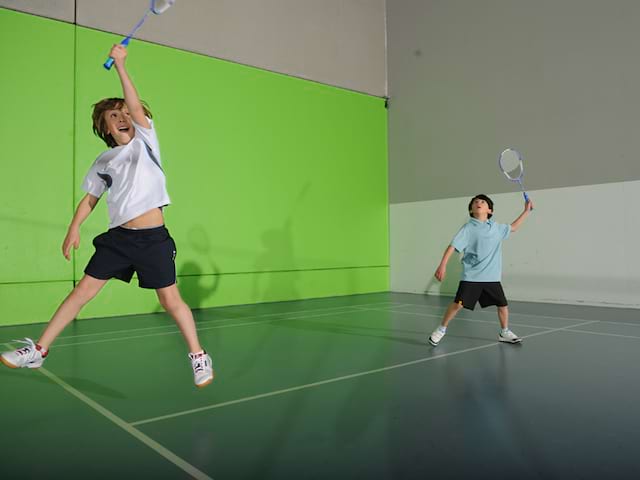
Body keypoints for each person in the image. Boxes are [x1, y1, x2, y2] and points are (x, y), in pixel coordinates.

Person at [0, 45, 214, 388]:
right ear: (105, 128)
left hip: (152, 239)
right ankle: (39, 350)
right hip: (119, 239)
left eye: (125, 112)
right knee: (81, 292)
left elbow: (134, 105)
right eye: (113, 116)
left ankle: (199, 356)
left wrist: (122, 66)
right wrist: (73, 228)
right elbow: (90, 200)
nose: (122, 117)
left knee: (170, 299)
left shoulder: (145, 142)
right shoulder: (103, 161)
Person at [428, 194, 533, 346]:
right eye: (475, 202)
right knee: (458, 304)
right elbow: (453, 246)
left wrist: (527, 210)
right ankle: (441, 329)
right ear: (471, 210)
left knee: (503, 305)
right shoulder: (468, 228)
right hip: (471, 277)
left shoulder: (497, 228)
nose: (478, 203)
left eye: (483, 202)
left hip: (492, 277)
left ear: (489, 210)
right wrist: (442, 265)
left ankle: (504, 332)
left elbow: (514, 227)